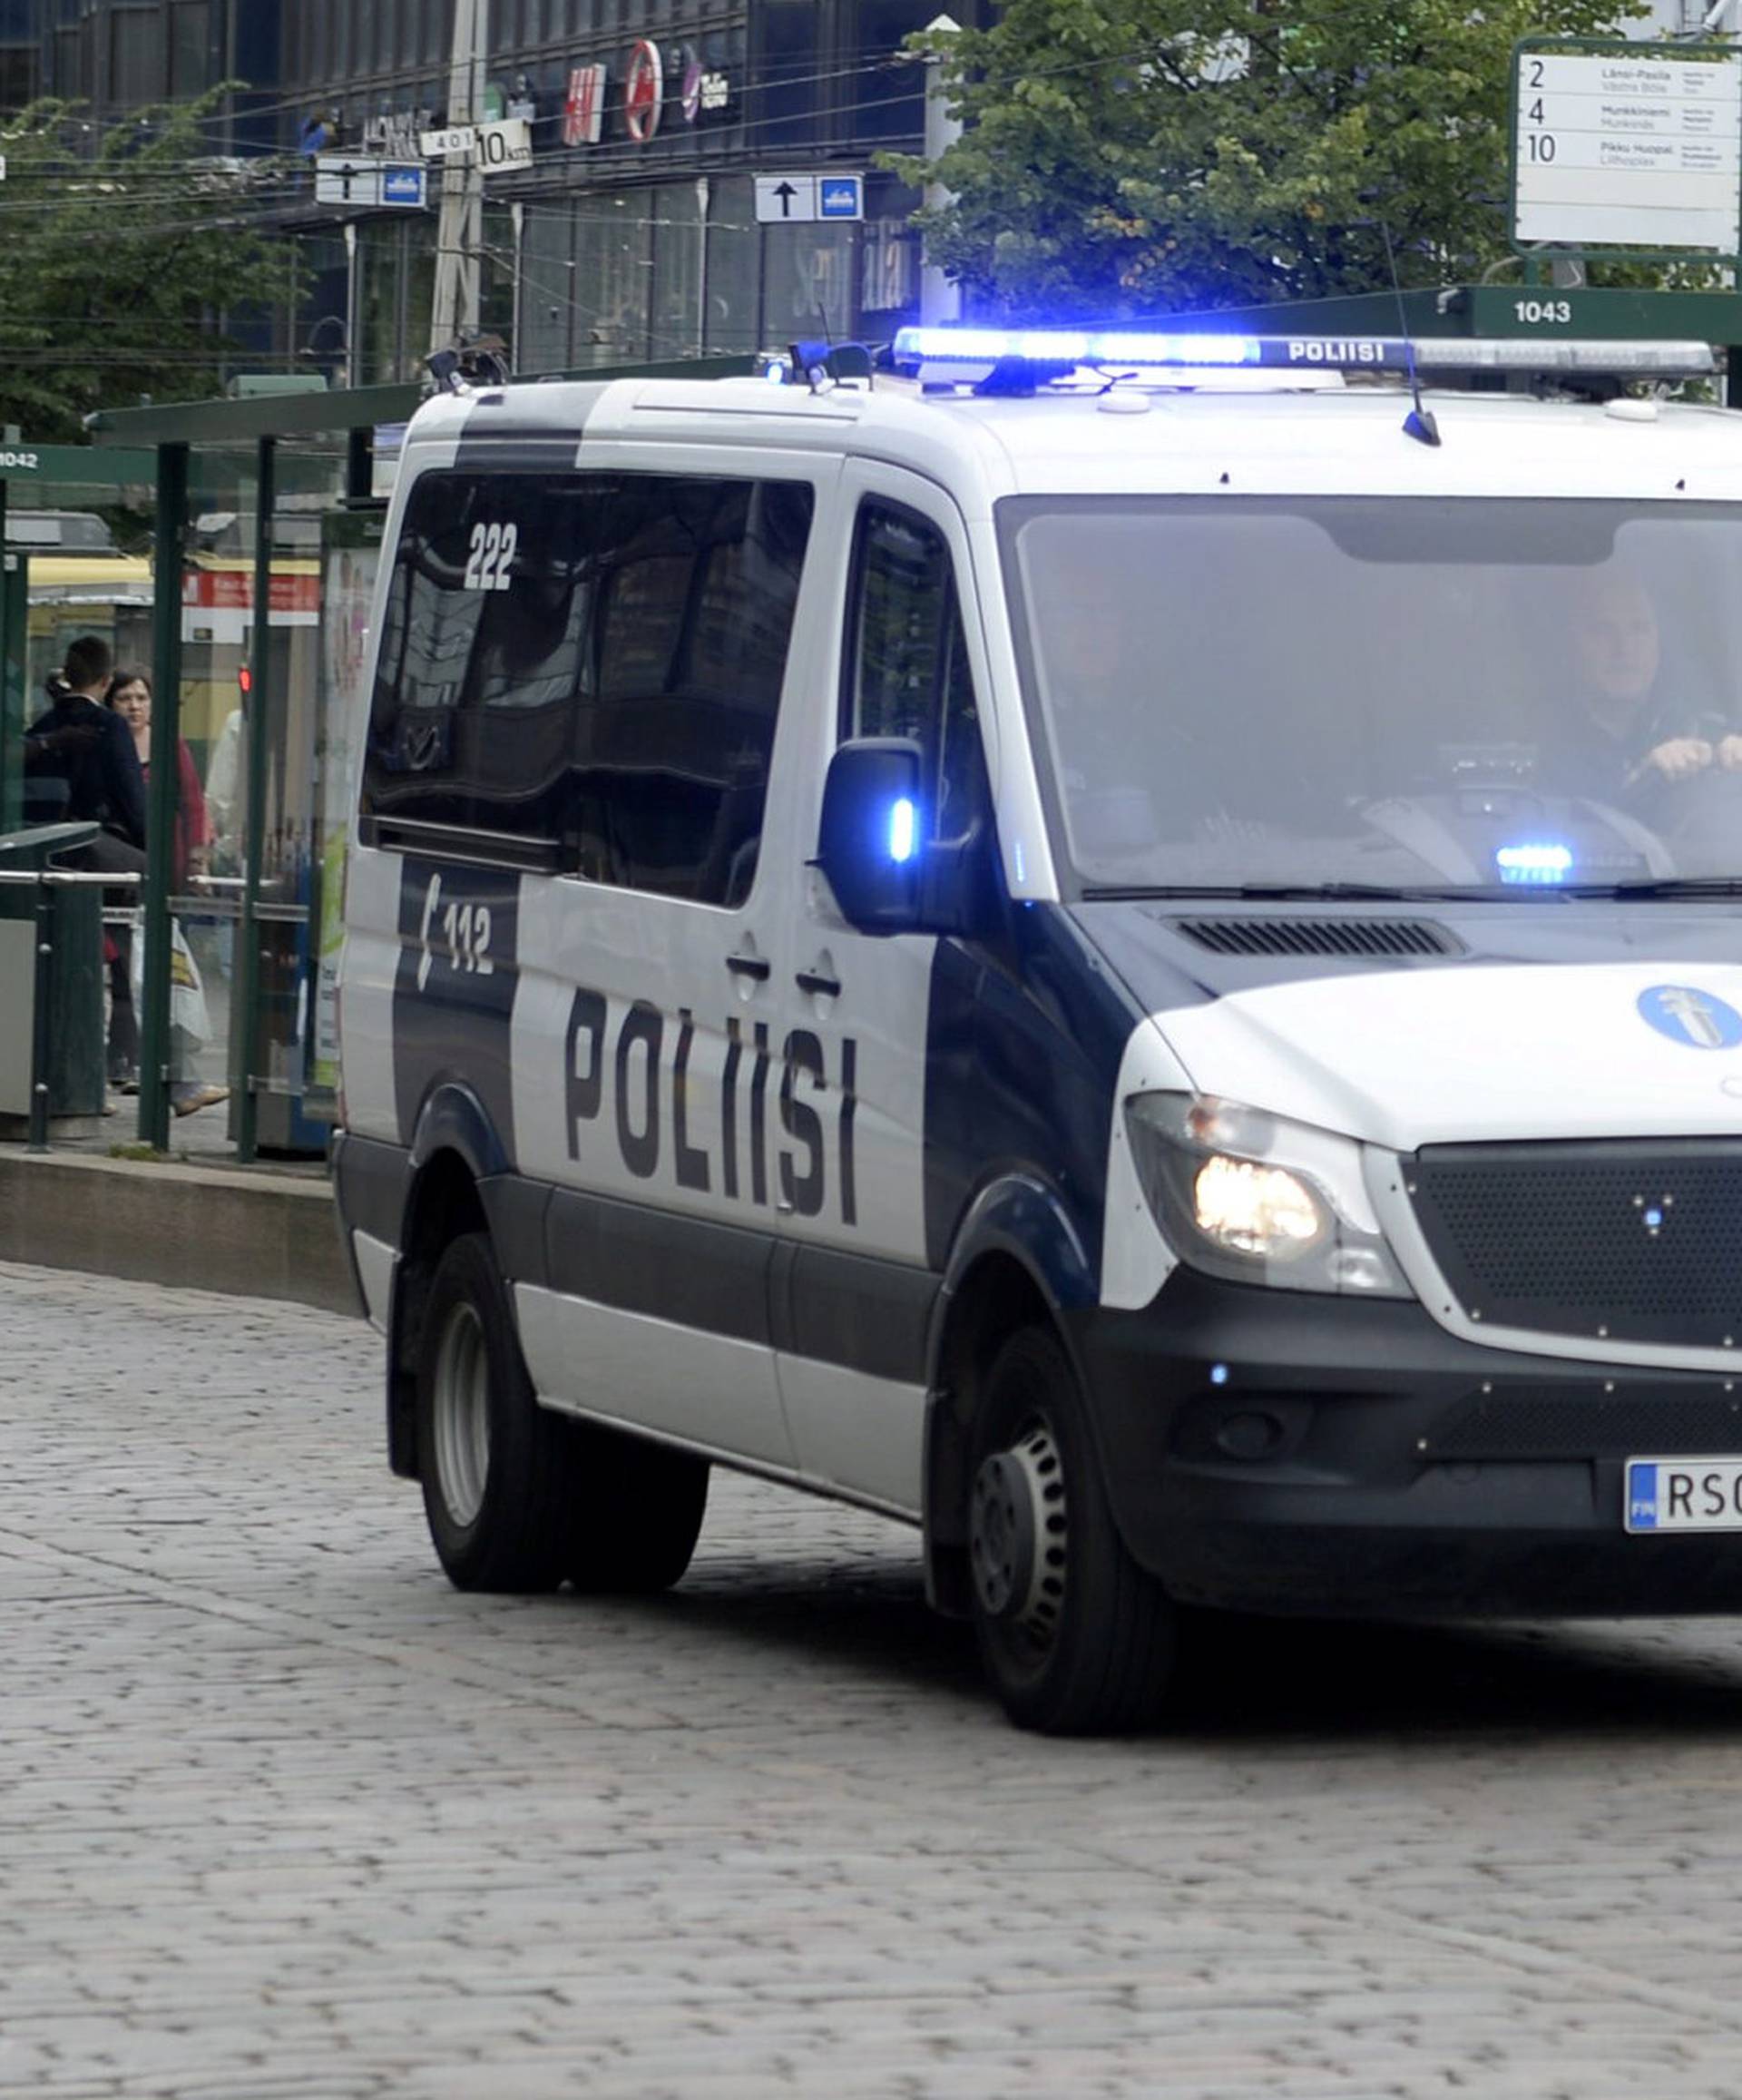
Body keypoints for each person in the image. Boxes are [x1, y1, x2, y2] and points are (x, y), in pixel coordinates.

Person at [103, 667, 228, 1119]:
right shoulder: (106, 744)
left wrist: (197, 860)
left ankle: (162, 1069)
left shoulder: (169, 745)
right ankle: (138, 1065)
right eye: (125, 699)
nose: (135, 706)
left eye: (141, 698)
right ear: (111, 703)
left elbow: (192, 802)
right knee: (124, 970)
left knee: (163, 971)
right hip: (116, 873)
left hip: (163, 870)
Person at [1548, 573, 1742, 804]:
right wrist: (1643, 781)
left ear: (1658, 641)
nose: (1624, 648)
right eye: (1603, 630)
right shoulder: (1541, 748)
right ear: (1571, 645)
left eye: (1639, 629)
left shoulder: (1702, 728)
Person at [21, 633, 147, 869]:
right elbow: (131, 798)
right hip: (87, 851)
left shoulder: (41, 728)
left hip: (34, 851)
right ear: (106, 682)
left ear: (67, 676)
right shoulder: (109, 725)